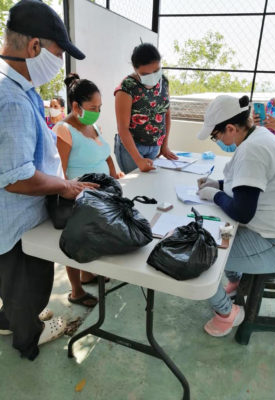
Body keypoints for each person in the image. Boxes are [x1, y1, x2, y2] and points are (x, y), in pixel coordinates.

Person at [0, 0, 97, 360]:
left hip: (12, 219)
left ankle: (11, 319)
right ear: (35, 47)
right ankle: (29, 338)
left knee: (12, 285)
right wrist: (65, 185)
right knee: (30, 285)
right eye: (58, 53)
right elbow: (17, 178)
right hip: (16, 220)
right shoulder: (9, 98)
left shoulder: (19, 88)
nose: (59, 63)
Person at [197, 95, 275, 337]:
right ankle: (235, 281)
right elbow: (246, 186)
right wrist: (219, 185)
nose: (217, 141)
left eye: (216, 136)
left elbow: (242, 213)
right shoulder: (259, 136)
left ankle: (227, 313)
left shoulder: (253, 149)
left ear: (231, 128)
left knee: (198, 257)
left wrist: (214, 195)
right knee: (214, 231)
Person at [54, 73, 124, 307]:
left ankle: (87, 274)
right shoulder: (64, 129)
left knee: (94, 238)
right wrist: (68, 191)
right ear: (76, 106)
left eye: (100, 106)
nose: (97, 111)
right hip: (79, 198)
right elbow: (59, 170)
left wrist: (114, 173)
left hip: (102, 195)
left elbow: (105, 153)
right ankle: (76, 291)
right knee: (75, 241)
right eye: (93, 107)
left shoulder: (92, 124)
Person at [114, 43, 178, 174]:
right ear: (134, 68)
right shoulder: (127, 87)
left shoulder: (163, 82)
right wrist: (138, 160)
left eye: (156, 71)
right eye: (145, 73)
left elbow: (166, 114)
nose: (152, 76)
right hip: (132, 149)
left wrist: (164, 146)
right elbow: (122, 128)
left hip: (155, 147)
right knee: (136, 189)